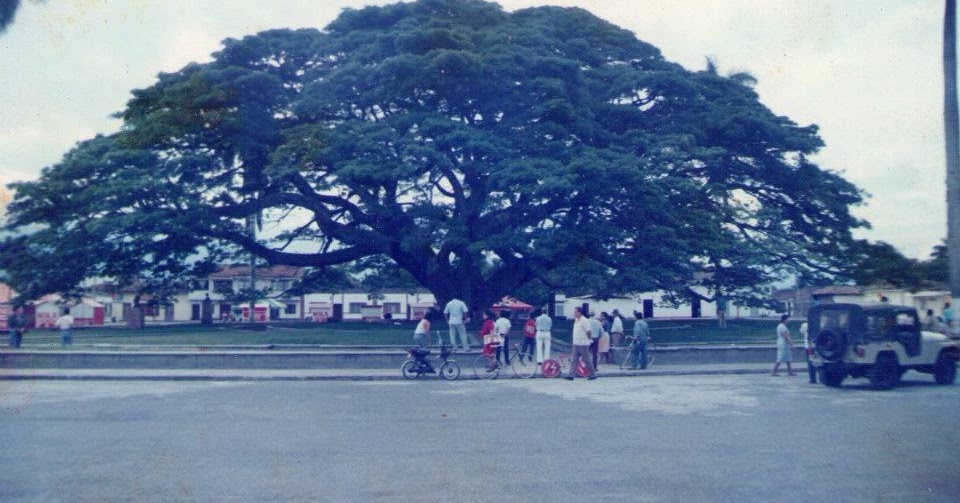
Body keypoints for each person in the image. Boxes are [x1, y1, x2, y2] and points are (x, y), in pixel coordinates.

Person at [564, 307, 596, 380]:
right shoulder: (576, 320)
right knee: (574, 359)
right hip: (576, 343)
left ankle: (592, 374)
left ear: (579, 312)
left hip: (583, 343)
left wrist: (589, 339)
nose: (574, 313)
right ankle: (571, 375)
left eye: (575, 312)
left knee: (586, 360)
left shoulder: (584, 320)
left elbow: (589, 331)